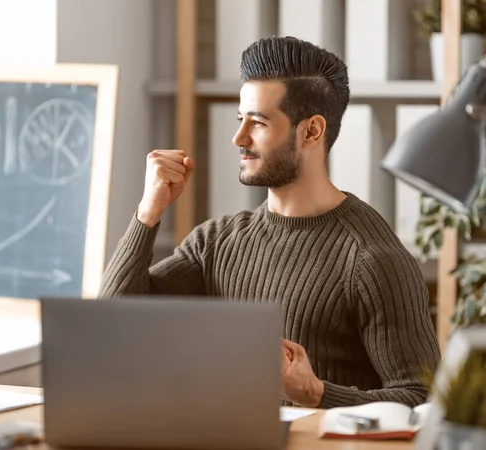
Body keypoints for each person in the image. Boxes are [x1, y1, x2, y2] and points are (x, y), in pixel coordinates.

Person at [99, 36, 440, 409]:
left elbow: (422, 400)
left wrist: (316, 394)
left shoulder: (373, 260)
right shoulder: (215, 242)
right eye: (239, 119)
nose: (238, 137)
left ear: (311, 131)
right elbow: (113, 329)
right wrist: (149, 212)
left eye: (258, 122)